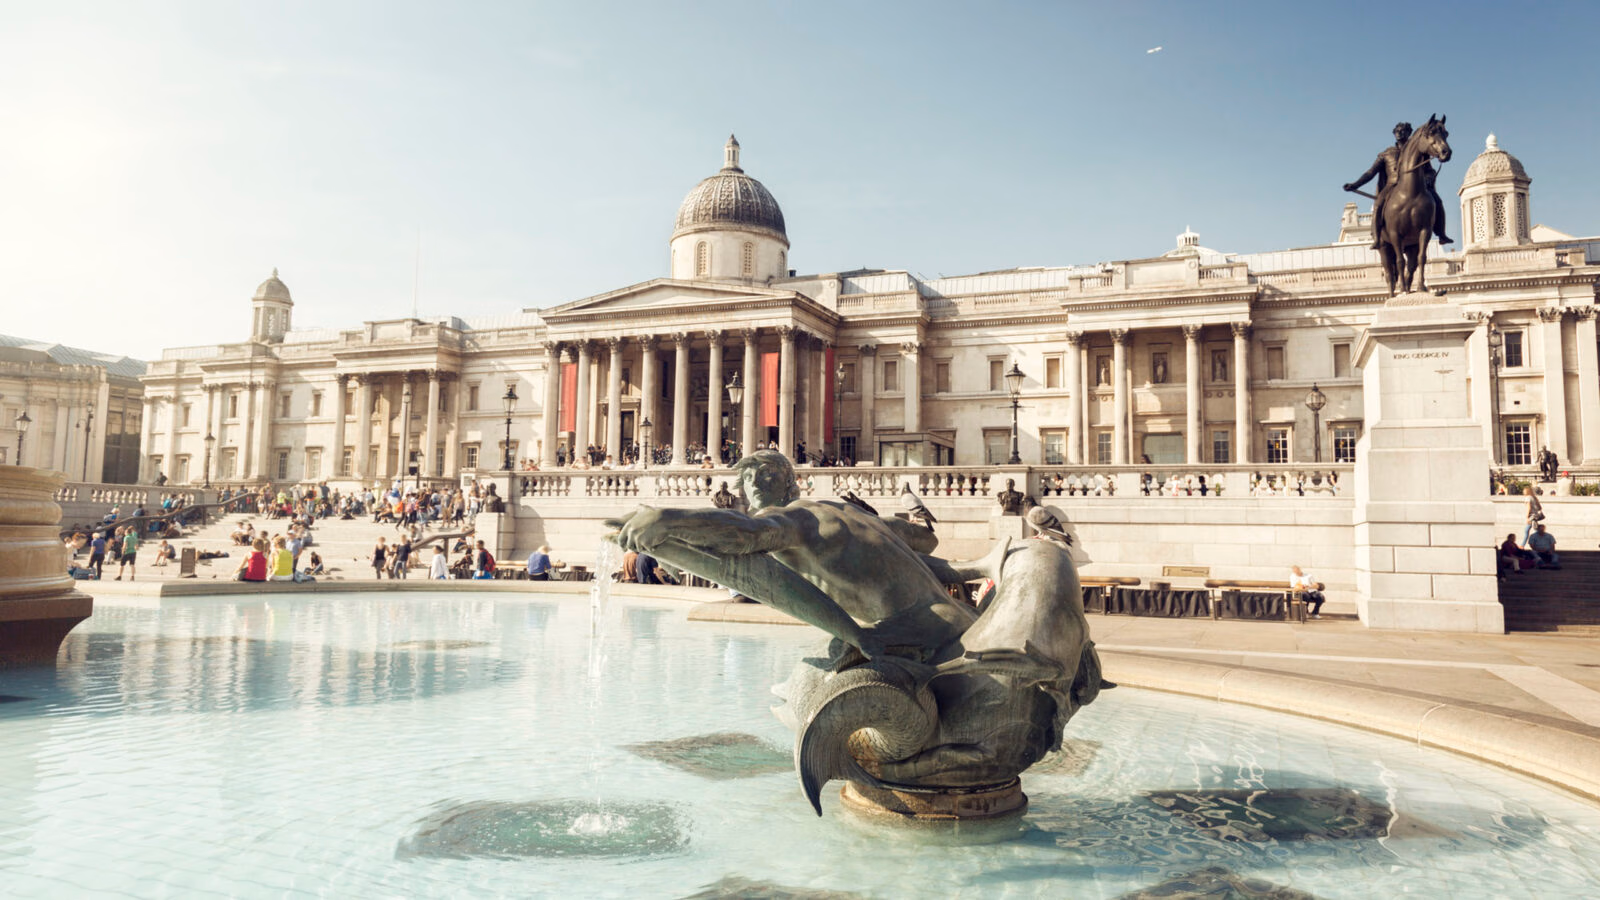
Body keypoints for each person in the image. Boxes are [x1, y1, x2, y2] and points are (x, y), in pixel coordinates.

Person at [608, 450, 972, 658]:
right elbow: (926, 543)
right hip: (959, 620)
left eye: (765, 475)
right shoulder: (850, 511)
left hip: (923, 637)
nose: (753, 484)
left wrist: (665, 518)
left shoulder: (794, 519)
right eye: (748, 478)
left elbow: (744, 535)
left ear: (790, 482)